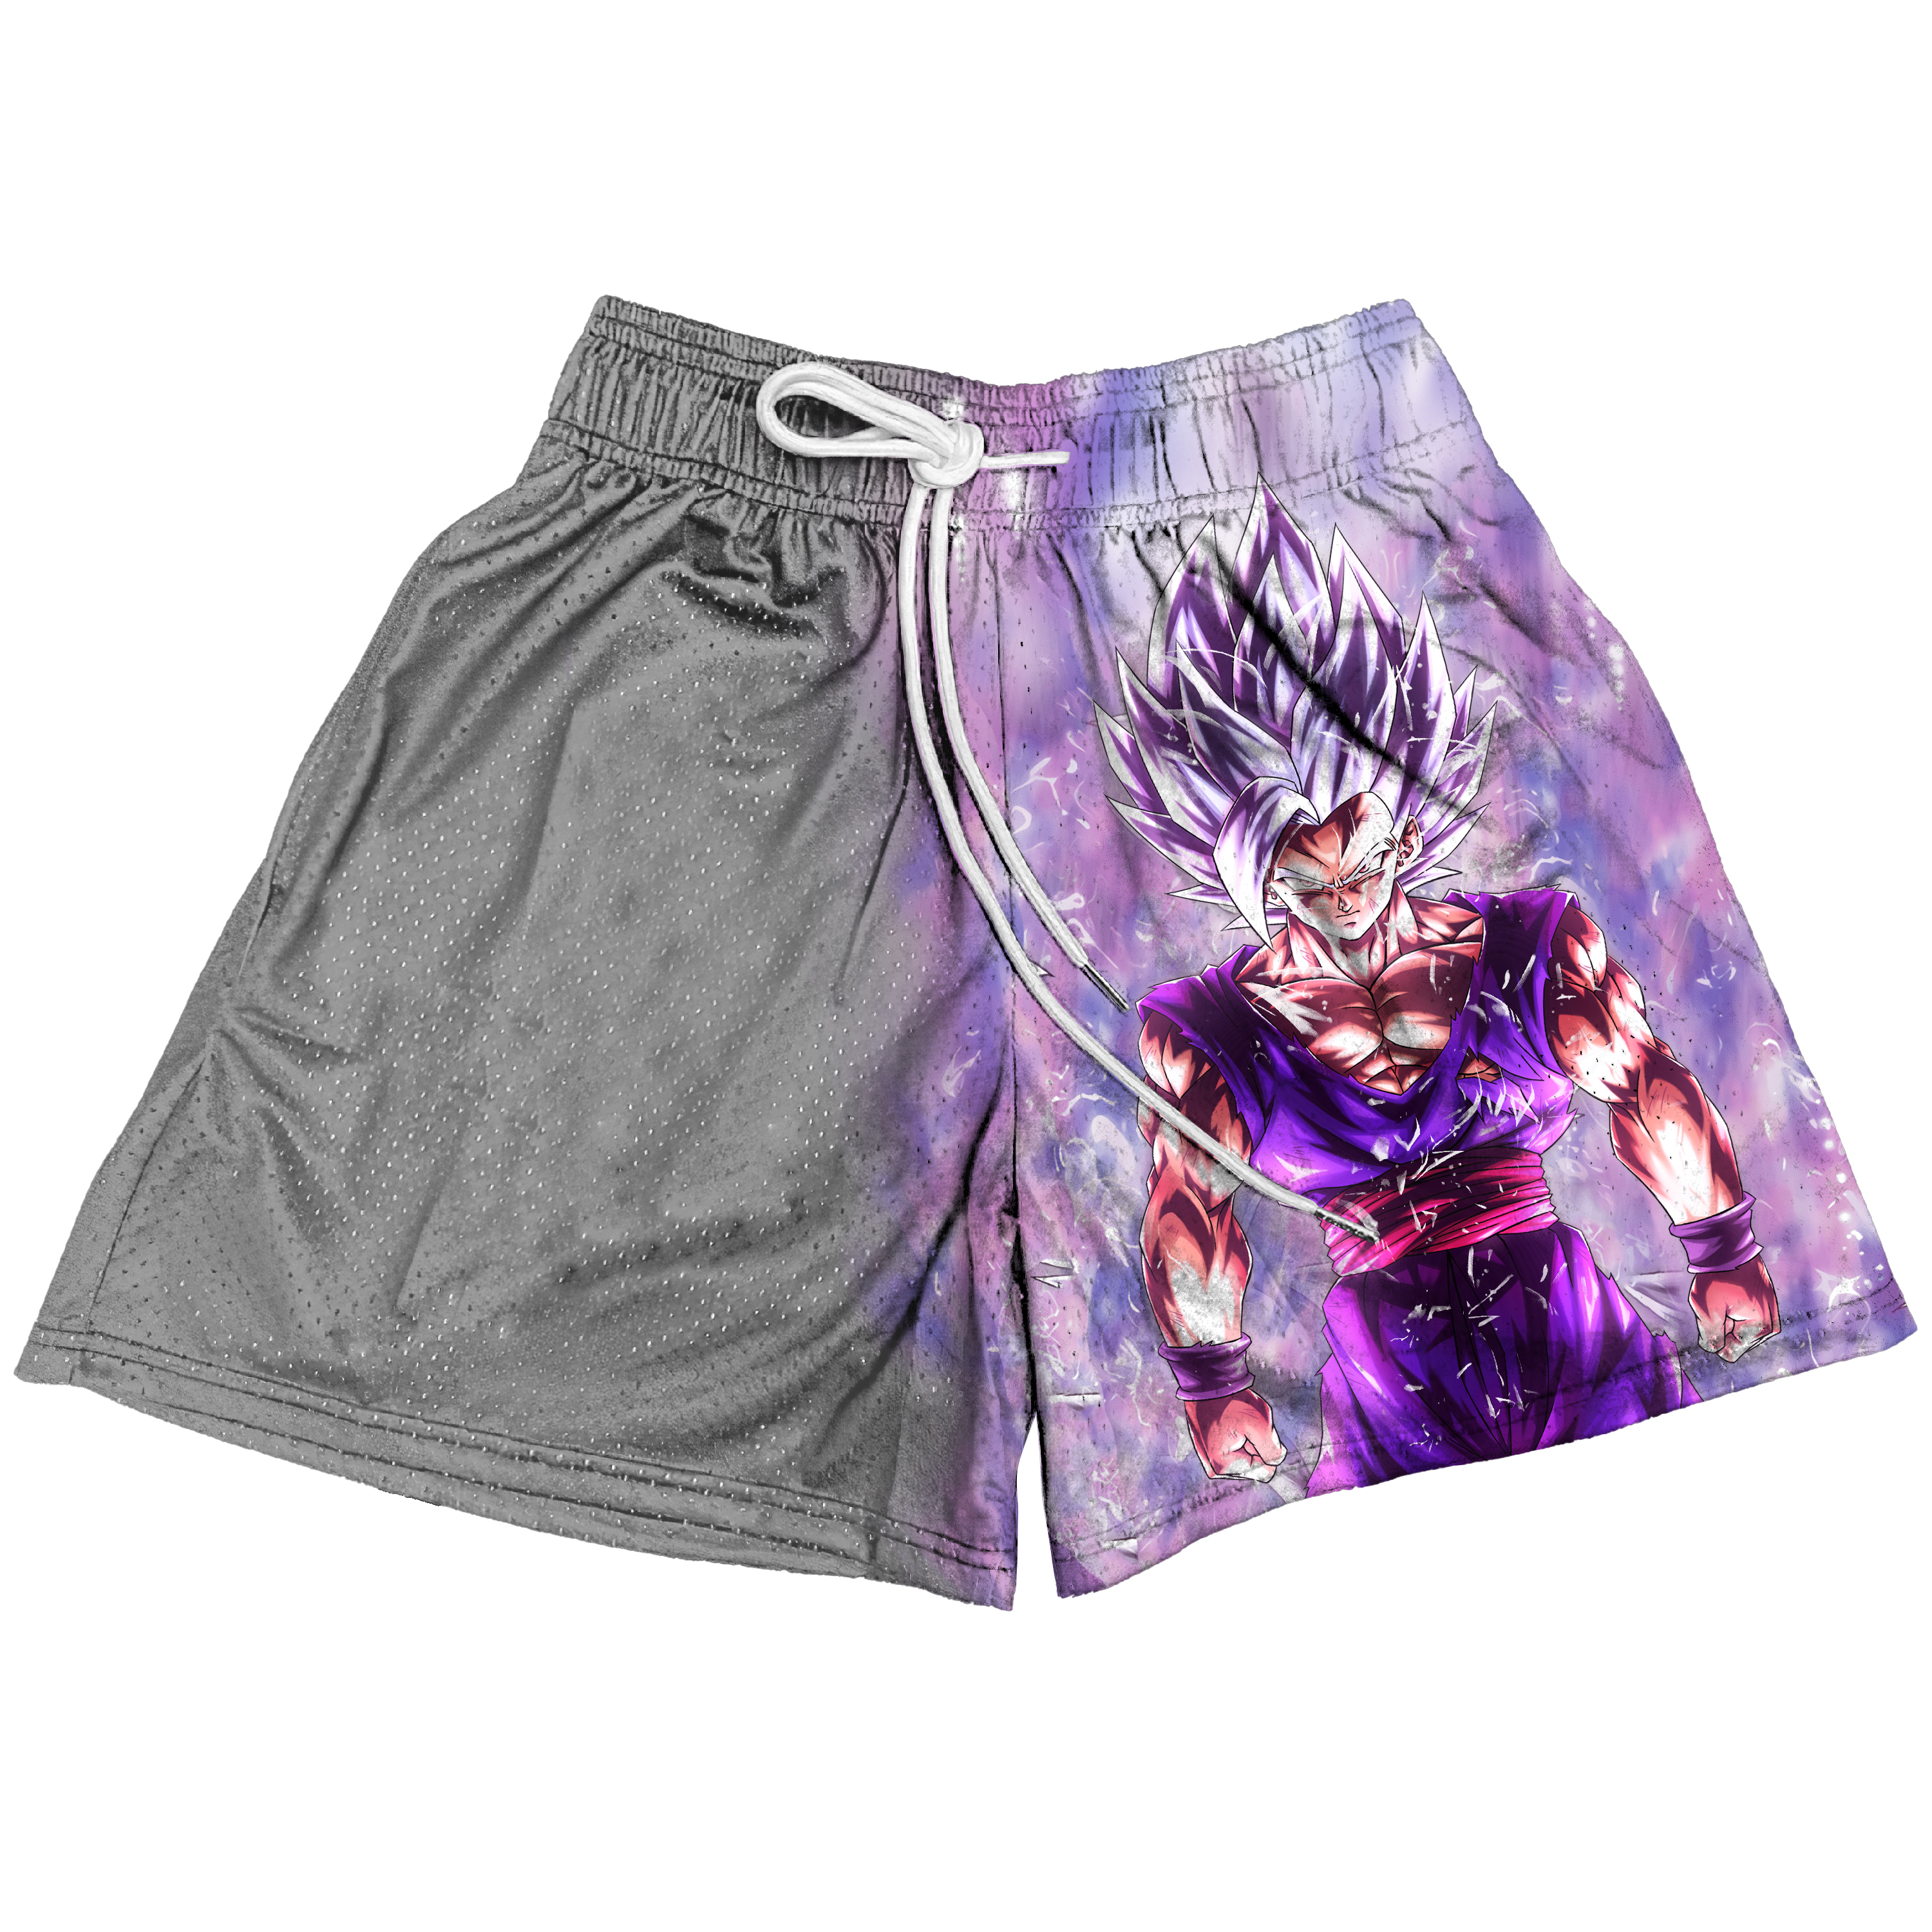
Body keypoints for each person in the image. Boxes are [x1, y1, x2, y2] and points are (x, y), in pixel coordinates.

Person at [1100, 480, 1780, 1492]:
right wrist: (1211, 1383)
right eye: (1308, 878)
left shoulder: (1528, 947)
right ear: (1256, 881)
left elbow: (1643, 1081)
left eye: (1361, 860)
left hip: (1573, 1334)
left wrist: (1722, 1247)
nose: (1346, 899)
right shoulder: (1211, 1031)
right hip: (1389, 1384)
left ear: (1407, 829)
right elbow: (1188, 1203)